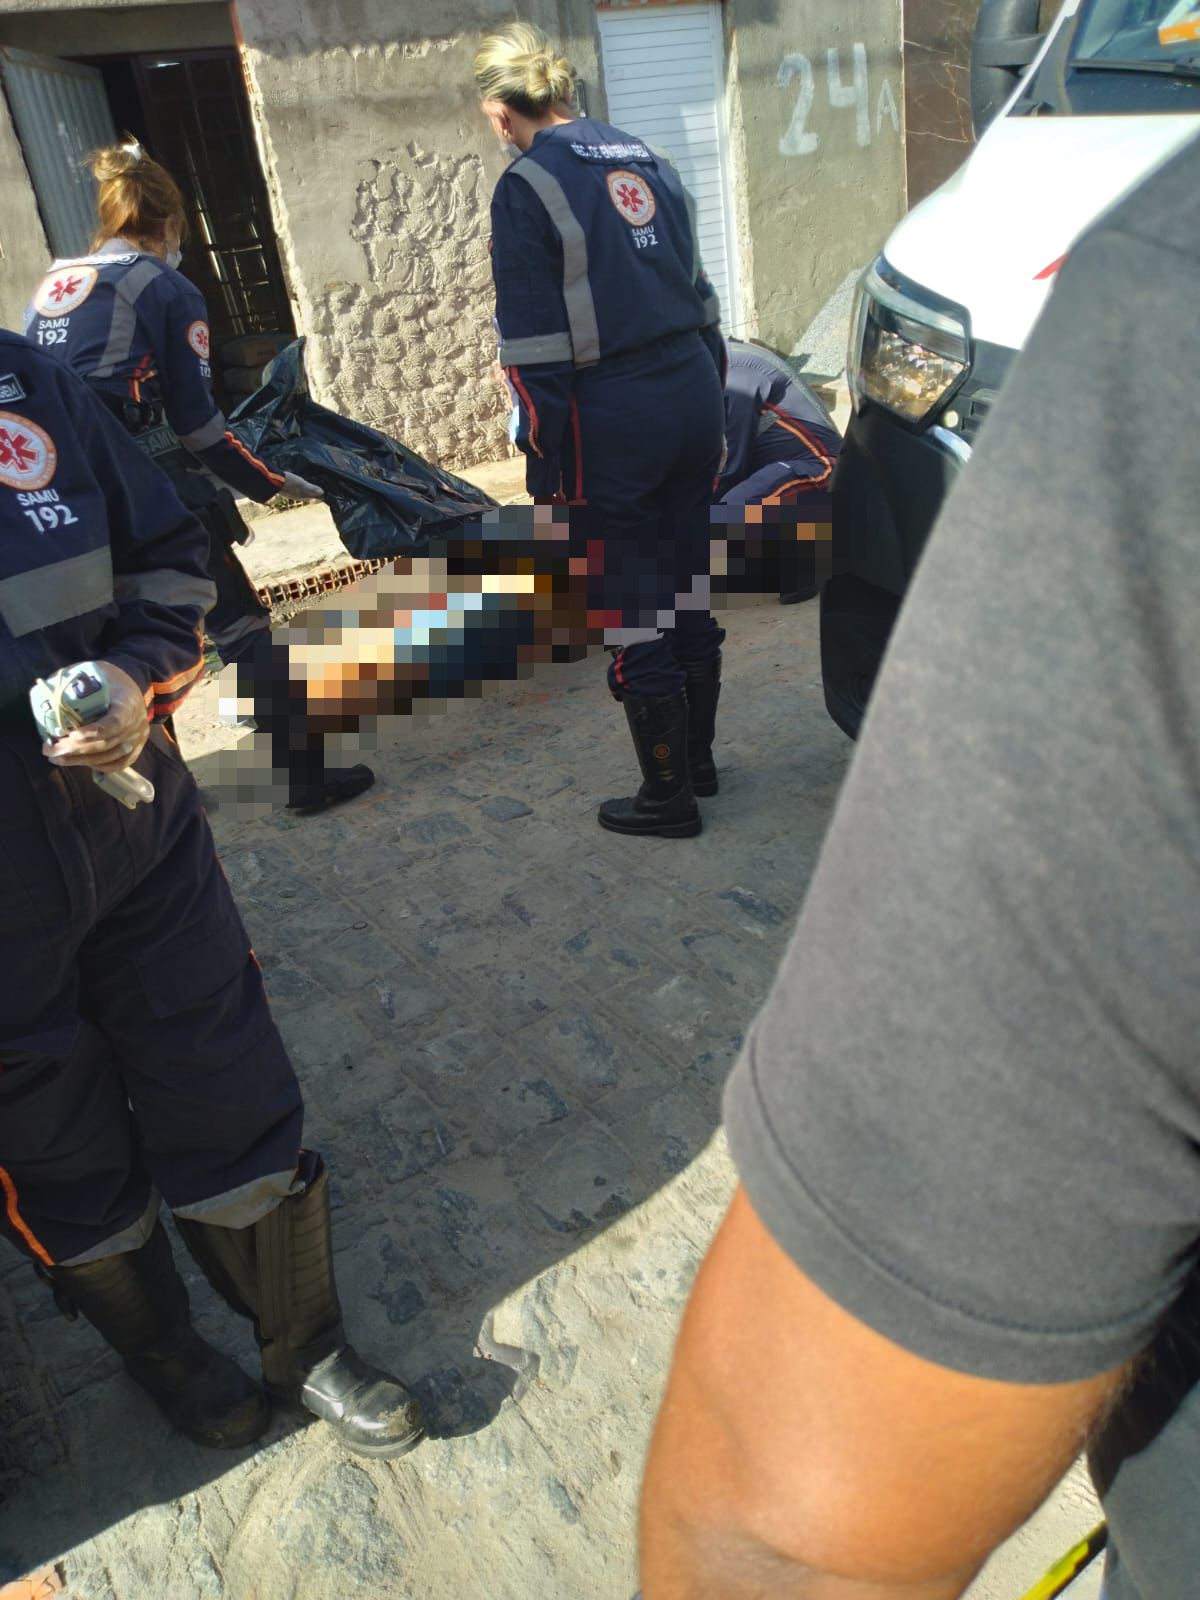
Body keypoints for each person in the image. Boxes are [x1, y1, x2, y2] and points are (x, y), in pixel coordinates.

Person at [639, 136, 1200, 1600]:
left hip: (663, 466)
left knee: (649, 599)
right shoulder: (677, 252)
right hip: (702, 451)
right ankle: (685, 766)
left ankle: (671, 780)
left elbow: (779, 1537)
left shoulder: (1166, 301)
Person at [0, 330, 424, 1459]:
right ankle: (165, 1354)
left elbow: (167, 557)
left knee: (223, 1069)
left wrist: (136, 675)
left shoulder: (29, 385)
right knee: (50, 1132)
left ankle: (305, 1342)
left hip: (136, 822)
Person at [24, 142, 372, 814]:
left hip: (59, 491)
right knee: (238, 622)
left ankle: (161, 797)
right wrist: (273, 482)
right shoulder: (165, 287)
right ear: (170, 223)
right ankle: (308, 776)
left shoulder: (54, 284)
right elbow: (198, 426)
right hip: (143, 480)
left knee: (120, 636)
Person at [476, 23, 728, 836]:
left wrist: (543, 461)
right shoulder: (650, 159)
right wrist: (712, 410)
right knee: (686, 582)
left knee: (632, 603)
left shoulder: (527, 184)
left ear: (500, 113)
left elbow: (532, 348)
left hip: (611, 415)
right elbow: (704, 298)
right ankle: (698, 765)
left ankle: (668, 798)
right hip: (693, 391)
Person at [716, 338, 840, 606]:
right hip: (779, 473)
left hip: (820, 468)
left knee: (727, 514)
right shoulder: (717, 366)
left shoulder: (736, 372)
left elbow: (729, 468)